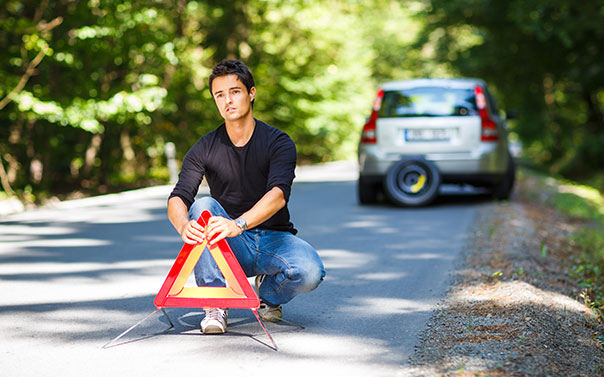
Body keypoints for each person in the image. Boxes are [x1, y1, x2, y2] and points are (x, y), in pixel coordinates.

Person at [167, 59, 326, 334]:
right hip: (228, 245)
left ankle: (267, 294)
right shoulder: (204, 147)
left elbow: (278, 195)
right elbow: (178, 197)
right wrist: (183, 226)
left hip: (273, 238)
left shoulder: (278, 142)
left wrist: (238, 223)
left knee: (310, 272)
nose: (228, 100)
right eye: (220, 94)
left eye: (235, 91)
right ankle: (215, 304)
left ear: (251, 93)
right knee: (202, 205)